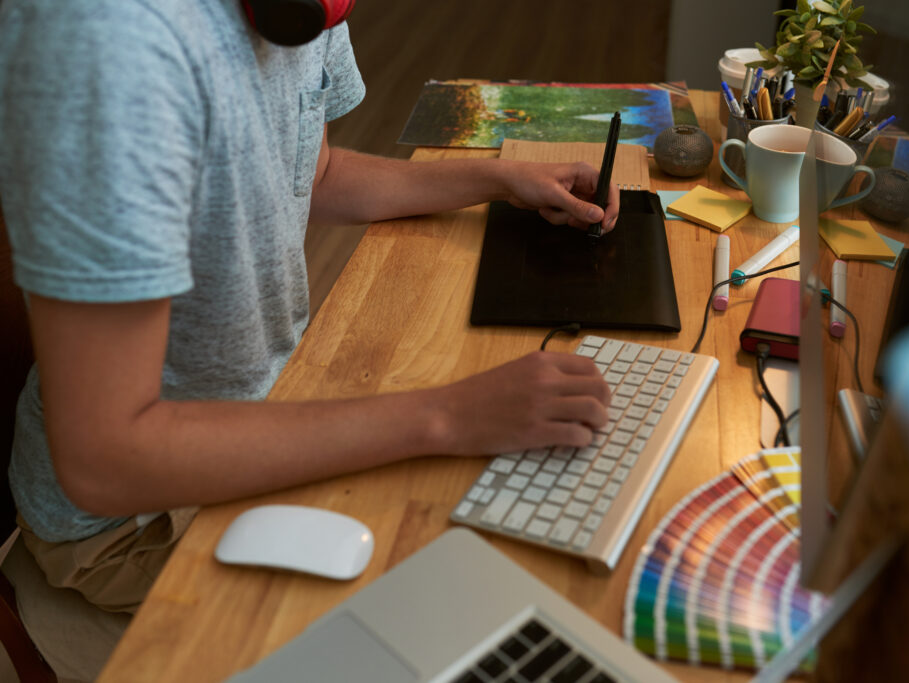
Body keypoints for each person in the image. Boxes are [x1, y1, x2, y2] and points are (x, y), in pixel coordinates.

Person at [0, 0, 619, 675]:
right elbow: (104, 459)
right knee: (455, 599)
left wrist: (495, 180)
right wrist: (448, 414)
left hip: (262, 409)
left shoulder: (308, 8)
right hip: (129, 520)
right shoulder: (107, 43)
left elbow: (313, 172)